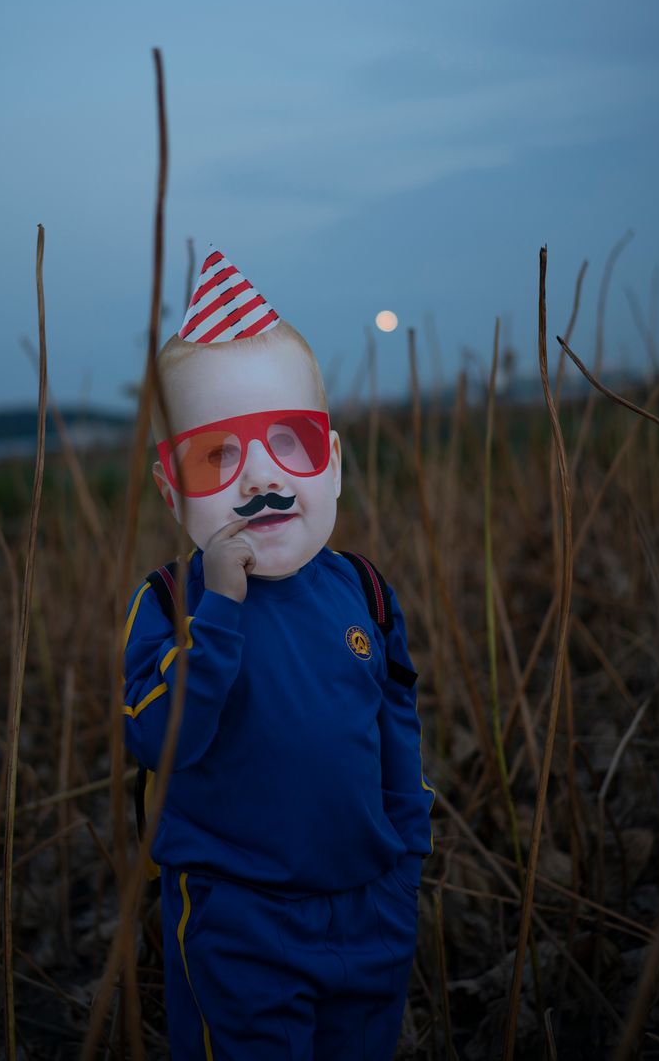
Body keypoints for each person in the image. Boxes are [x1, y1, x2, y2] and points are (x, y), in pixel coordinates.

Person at [123, 250, 435, 1060]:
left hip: (370, 908)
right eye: (215, 456)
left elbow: (397, 730)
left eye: (289, 442)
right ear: (171, 488)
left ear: (331, 460)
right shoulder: (169, 605)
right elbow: (161, 739)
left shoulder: (363, 590)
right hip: (242, 924)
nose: (261, 476)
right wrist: (220, 608)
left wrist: (405, 862)